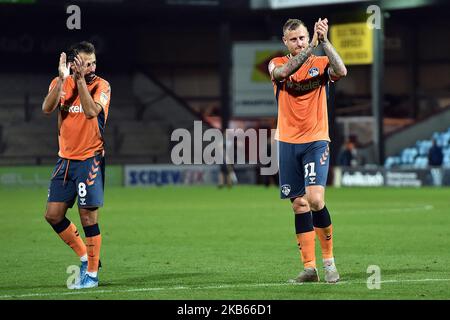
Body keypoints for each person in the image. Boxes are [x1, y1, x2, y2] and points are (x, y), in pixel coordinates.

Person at [268, 18, 347, 283]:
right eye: (294, 39)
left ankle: (329, 263)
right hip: (288, 142)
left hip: (316, 139)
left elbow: (342, 70)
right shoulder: (276, 64)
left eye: (303, 38)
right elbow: (283, 73)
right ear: (285, 42)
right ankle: (309, 268)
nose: (300, 42)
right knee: (299, 205)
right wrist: (311, 46)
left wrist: (325, 43)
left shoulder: (320, 63)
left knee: (315, 200)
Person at [42, 41, 111, 289]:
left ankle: (91, 275)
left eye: (93, 62)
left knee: (88, 218)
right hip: (65, 159)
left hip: (90, 158)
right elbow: (47, 108)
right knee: (53, 215)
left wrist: (81, 80)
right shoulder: (61, 82)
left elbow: (92, 112)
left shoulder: (102, 85)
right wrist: (62, 80)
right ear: (73, 64)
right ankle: (86, 257)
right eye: (85, 63)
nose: (91, 67)